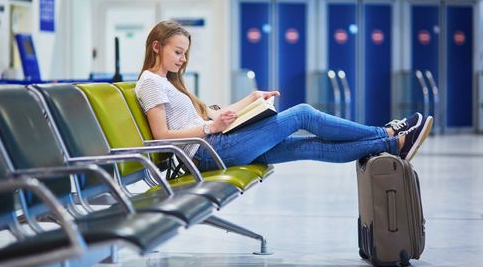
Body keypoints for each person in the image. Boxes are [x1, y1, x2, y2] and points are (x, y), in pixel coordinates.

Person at [135, 20, 434, 171]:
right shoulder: (150, 82)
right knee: (302, 113)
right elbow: (161, 135)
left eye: (185, 54)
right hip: (206, 153)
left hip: (215, 146)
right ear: (156, 46)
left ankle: (394, 144)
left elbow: (211, 115)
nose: (182, 60)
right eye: (178, 52)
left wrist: (251, 99)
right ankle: (387, 131)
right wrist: (210, 128)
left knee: (309, 147)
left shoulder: (169, 83)